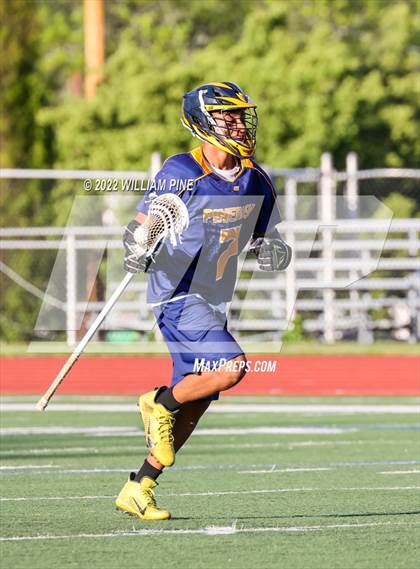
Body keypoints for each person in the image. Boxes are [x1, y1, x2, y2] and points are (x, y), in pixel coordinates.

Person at [115, 82, 291, 520]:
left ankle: (139, 487)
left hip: (214, 299)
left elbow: (267, 237)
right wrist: (138, 246)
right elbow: (142, 224)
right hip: (177, 293)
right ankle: (158, 402)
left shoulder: (256, 178)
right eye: (227, 117)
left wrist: (271, 250)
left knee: (197, 399)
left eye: (240, 116)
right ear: (203, 123)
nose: (239, 125)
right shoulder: (181, 170)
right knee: (232, 368)